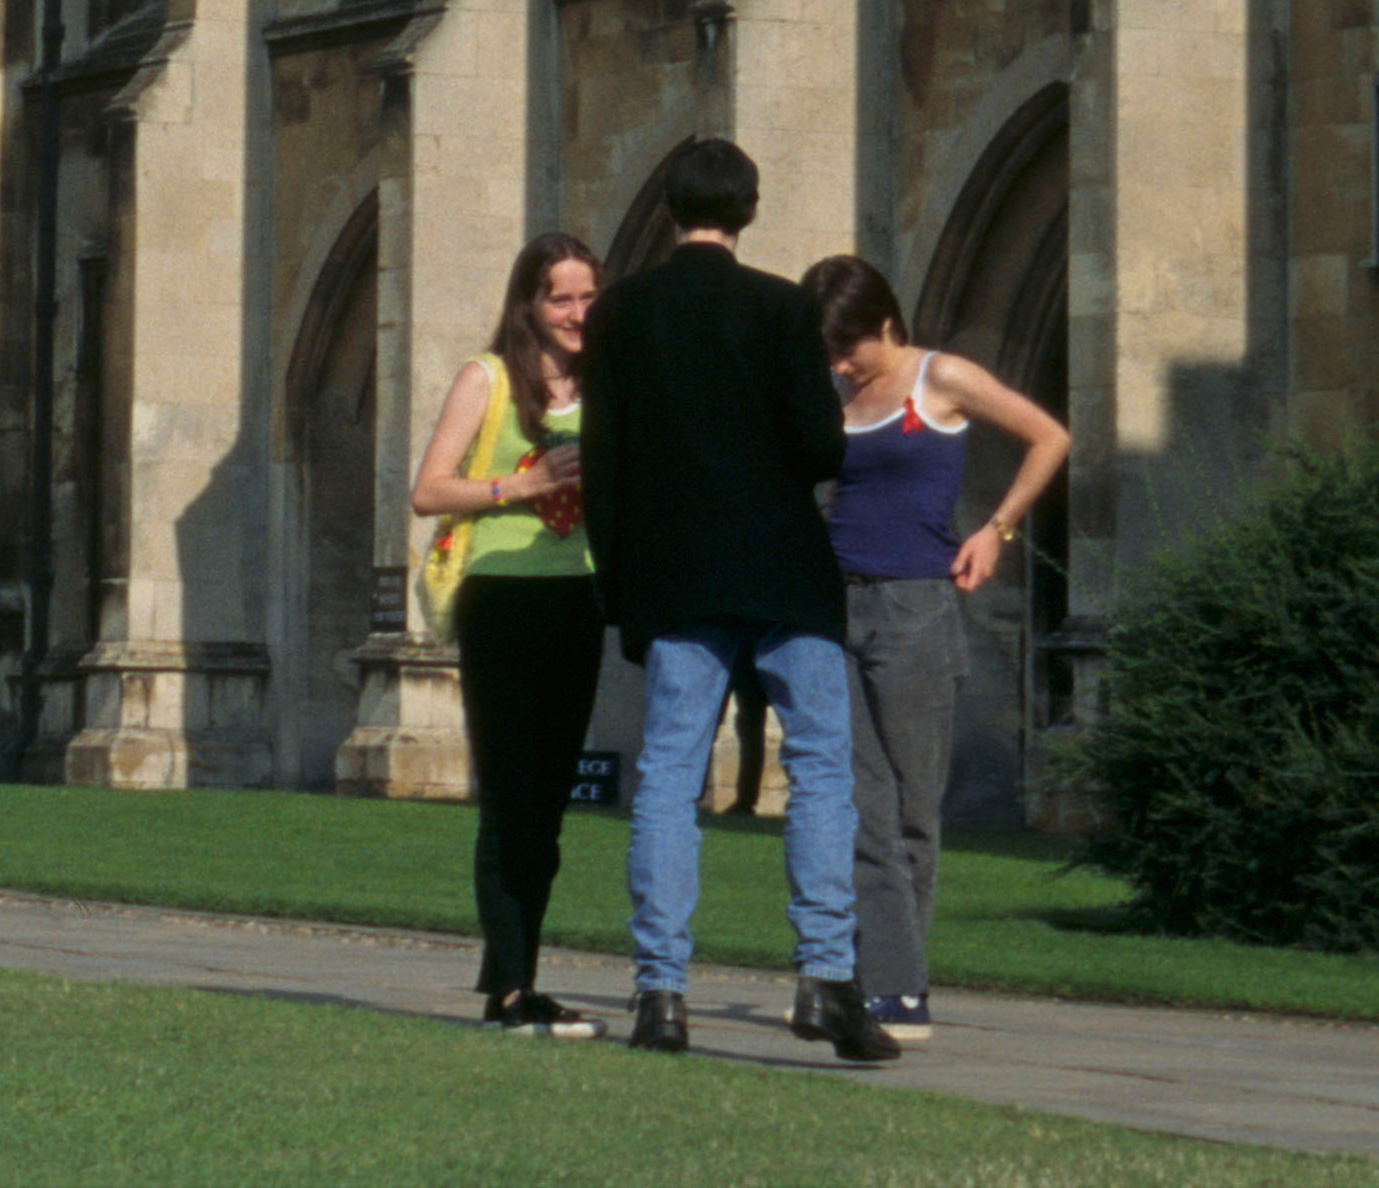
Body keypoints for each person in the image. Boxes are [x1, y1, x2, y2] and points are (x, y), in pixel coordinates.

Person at [576, 135, 897, 1064]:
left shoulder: (624, 312)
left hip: (675, 572)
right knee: (822, 770)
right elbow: (816, 448)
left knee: (669, 778)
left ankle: (660, 994)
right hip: (779, 566)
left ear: (671, 206)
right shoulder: (781, 307)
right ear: (749, 208)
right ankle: (827, 980)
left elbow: (606, 458)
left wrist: (618, 582)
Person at [801, 253, 1072, 1043]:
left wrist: (998, 528)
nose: (840, 365)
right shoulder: (832, 391)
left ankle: (895, 985)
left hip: (915, 607)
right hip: (834, 604)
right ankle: (886, 983)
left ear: (885, 323)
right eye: (828, 352)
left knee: (913, 807)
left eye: (849, 348)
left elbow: (1048, 436)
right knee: (861, 804)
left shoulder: (940, 377)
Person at [406, 234, 605, 1036]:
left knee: (548, 807)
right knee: (508, 798)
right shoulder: (484, 378)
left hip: (577, 599)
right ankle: (512, 990)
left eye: (588, 296)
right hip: (500, 600)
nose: (577, 312)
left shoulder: (604, 384)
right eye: (561, 297)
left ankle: (515, 976)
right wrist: (519, 484)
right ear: (528, 304)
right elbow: (428, 491)